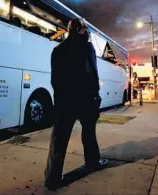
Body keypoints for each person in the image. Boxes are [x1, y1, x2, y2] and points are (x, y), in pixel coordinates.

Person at [44, 18, 108, 190]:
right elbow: (92, 74)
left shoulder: (58, 50)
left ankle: (52, 178)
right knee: (89, 134)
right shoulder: (87, 48)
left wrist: (60, 99)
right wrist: (95, 96)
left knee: (59, 140)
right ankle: (92, 162)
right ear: (79, 29)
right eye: (85, 28)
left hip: (65, 102)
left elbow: (55, 80)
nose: (87, 31)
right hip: (85, 100)